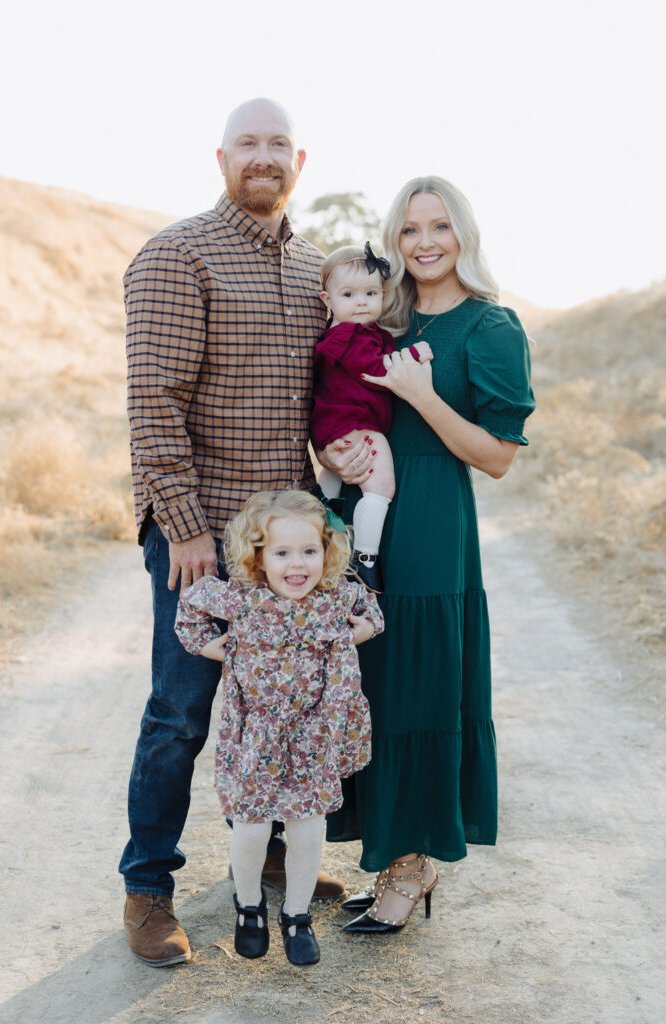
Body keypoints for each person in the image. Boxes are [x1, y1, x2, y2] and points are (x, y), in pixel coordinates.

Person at [120, 98, 362, 967]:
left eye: (277, 145)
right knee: (181, 714)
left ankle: (261, 858)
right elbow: (153, 403)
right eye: (247, 144)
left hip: (287, 549)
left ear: (300, 160)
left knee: (280, 710)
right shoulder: (178, 255)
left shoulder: (312, 270)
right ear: (220, 156)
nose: (263, 157)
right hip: (202, 536)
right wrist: (184, 527)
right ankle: (148, 888)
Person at [319, 176, 536, 933]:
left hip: (433, 534)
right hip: (361, 526)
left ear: (462, 234)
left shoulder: (489, 328)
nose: (424, 242)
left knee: (418, 693)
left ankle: (412, 869)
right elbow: (335, 401)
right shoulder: (381, 314)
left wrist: (421, 394)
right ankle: (384, 854)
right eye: (409, 229)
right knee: (370, 690)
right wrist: (336, 458)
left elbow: (499, 457)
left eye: (439, 225)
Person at [174, 489, 383, 965]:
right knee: (251, 826)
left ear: (326, 553)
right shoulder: (240, 599)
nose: (298, 565)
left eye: (310, 551)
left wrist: (361, 632)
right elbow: (189, 607)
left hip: (316, 736)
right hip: (256, 737)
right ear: (258, 556)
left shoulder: (335, 598)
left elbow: (372, 611)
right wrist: (211, 646)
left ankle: (296, 915)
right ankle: (248, 907)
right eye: (282, 552)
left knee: (308, 827)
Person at [311, 243, 433, 593]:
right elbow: (375, 370)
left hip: (335, 423)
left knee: (334, 476)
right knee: (380, 486)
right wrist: (412, 355)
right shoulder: (348, 336)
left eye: (370, 293)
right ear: (327, 300)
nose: (361, 301)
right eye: (349, 294)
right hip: (354, 422)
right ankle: (365, 558)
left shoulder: (361, 333)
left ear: (383, 294)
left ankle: (320, 526)